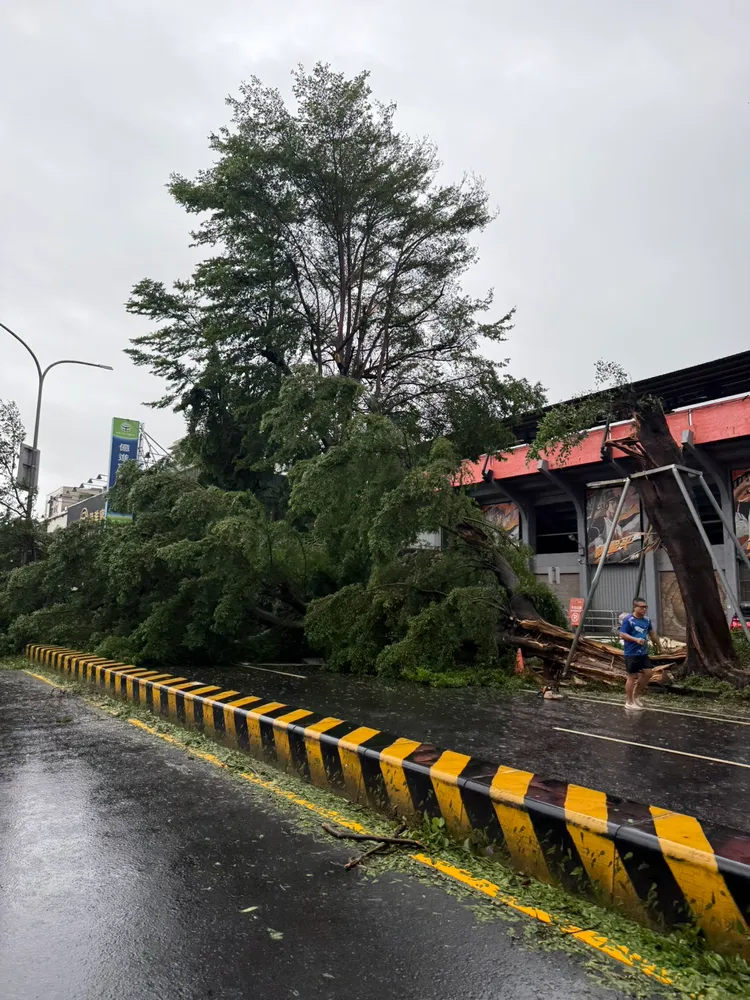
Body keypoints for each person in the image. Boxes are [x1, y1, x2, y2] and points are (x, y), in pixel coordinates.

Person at [619, 598, 662, 711]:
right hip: (631, 653)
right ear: (635, 607)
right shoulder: (628, 620)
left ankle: (635, 696)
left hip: (643, 652)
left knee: (648, 673)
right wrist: (635, 640)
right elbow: (622, 634)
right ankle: (629, 701)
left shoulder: (646, 621)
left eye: (645, 607)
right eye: (641, 607)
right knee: (631, 677)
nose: (644, 609)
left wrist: (659, 646)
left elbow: (652, 634)